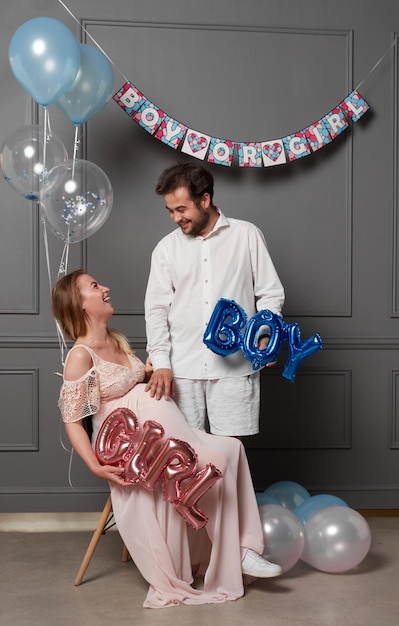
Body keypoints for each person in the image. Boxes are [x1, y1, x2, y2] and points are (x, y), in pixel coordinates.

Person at [52, 269, 282, 610]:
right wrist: (96, 468)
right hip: (132, 450)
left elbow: (126, 386)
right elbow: (73, 421)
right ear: (79, 303)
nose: (106, 288)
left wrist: (147, 373)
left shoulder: (115, 341)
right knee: (213, 463)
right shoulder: (81, 355)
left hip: (164, 437)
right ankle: (235, 551)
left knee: (232, 447)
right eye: (95, 286)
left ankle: (244, 548)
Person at [144, 162, 285, 436]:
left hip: (236, 369)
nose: (175, 217)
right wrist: (161, 364)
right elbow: (156, 310)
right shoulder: (165, 249)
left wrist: (267, 336)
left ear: (205, 199)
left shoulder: (247, 235)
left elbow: (270, 293)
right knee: (184, 460)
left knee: (229, 457)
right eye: (170, 210)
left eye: (181, 209)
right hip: (181, 372)